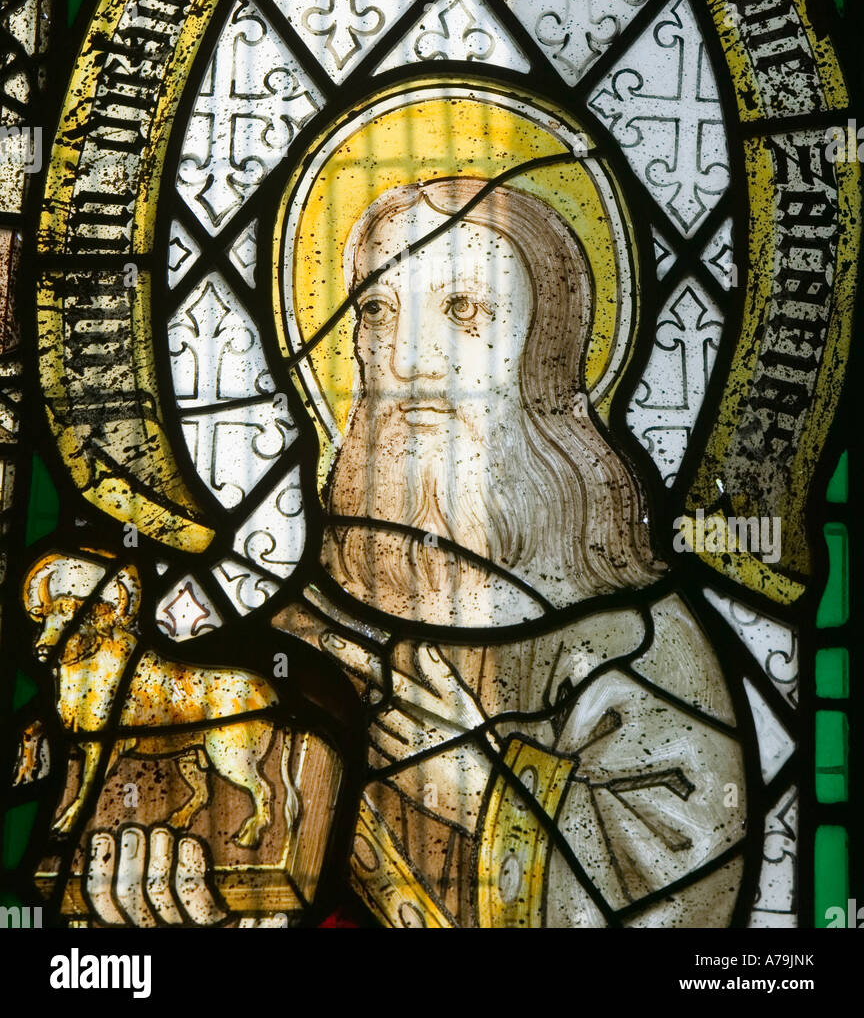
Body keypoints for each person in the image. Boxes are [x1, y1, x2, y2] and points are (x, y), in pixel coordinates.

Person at [82, 177, 747, 927]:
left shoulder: (638, 633)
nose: (406, 362)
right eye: (375, 312)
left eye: (464, 310)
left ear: (547, 356)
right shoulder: (293, 629)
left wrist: (479, 789)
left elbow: (695, 899)